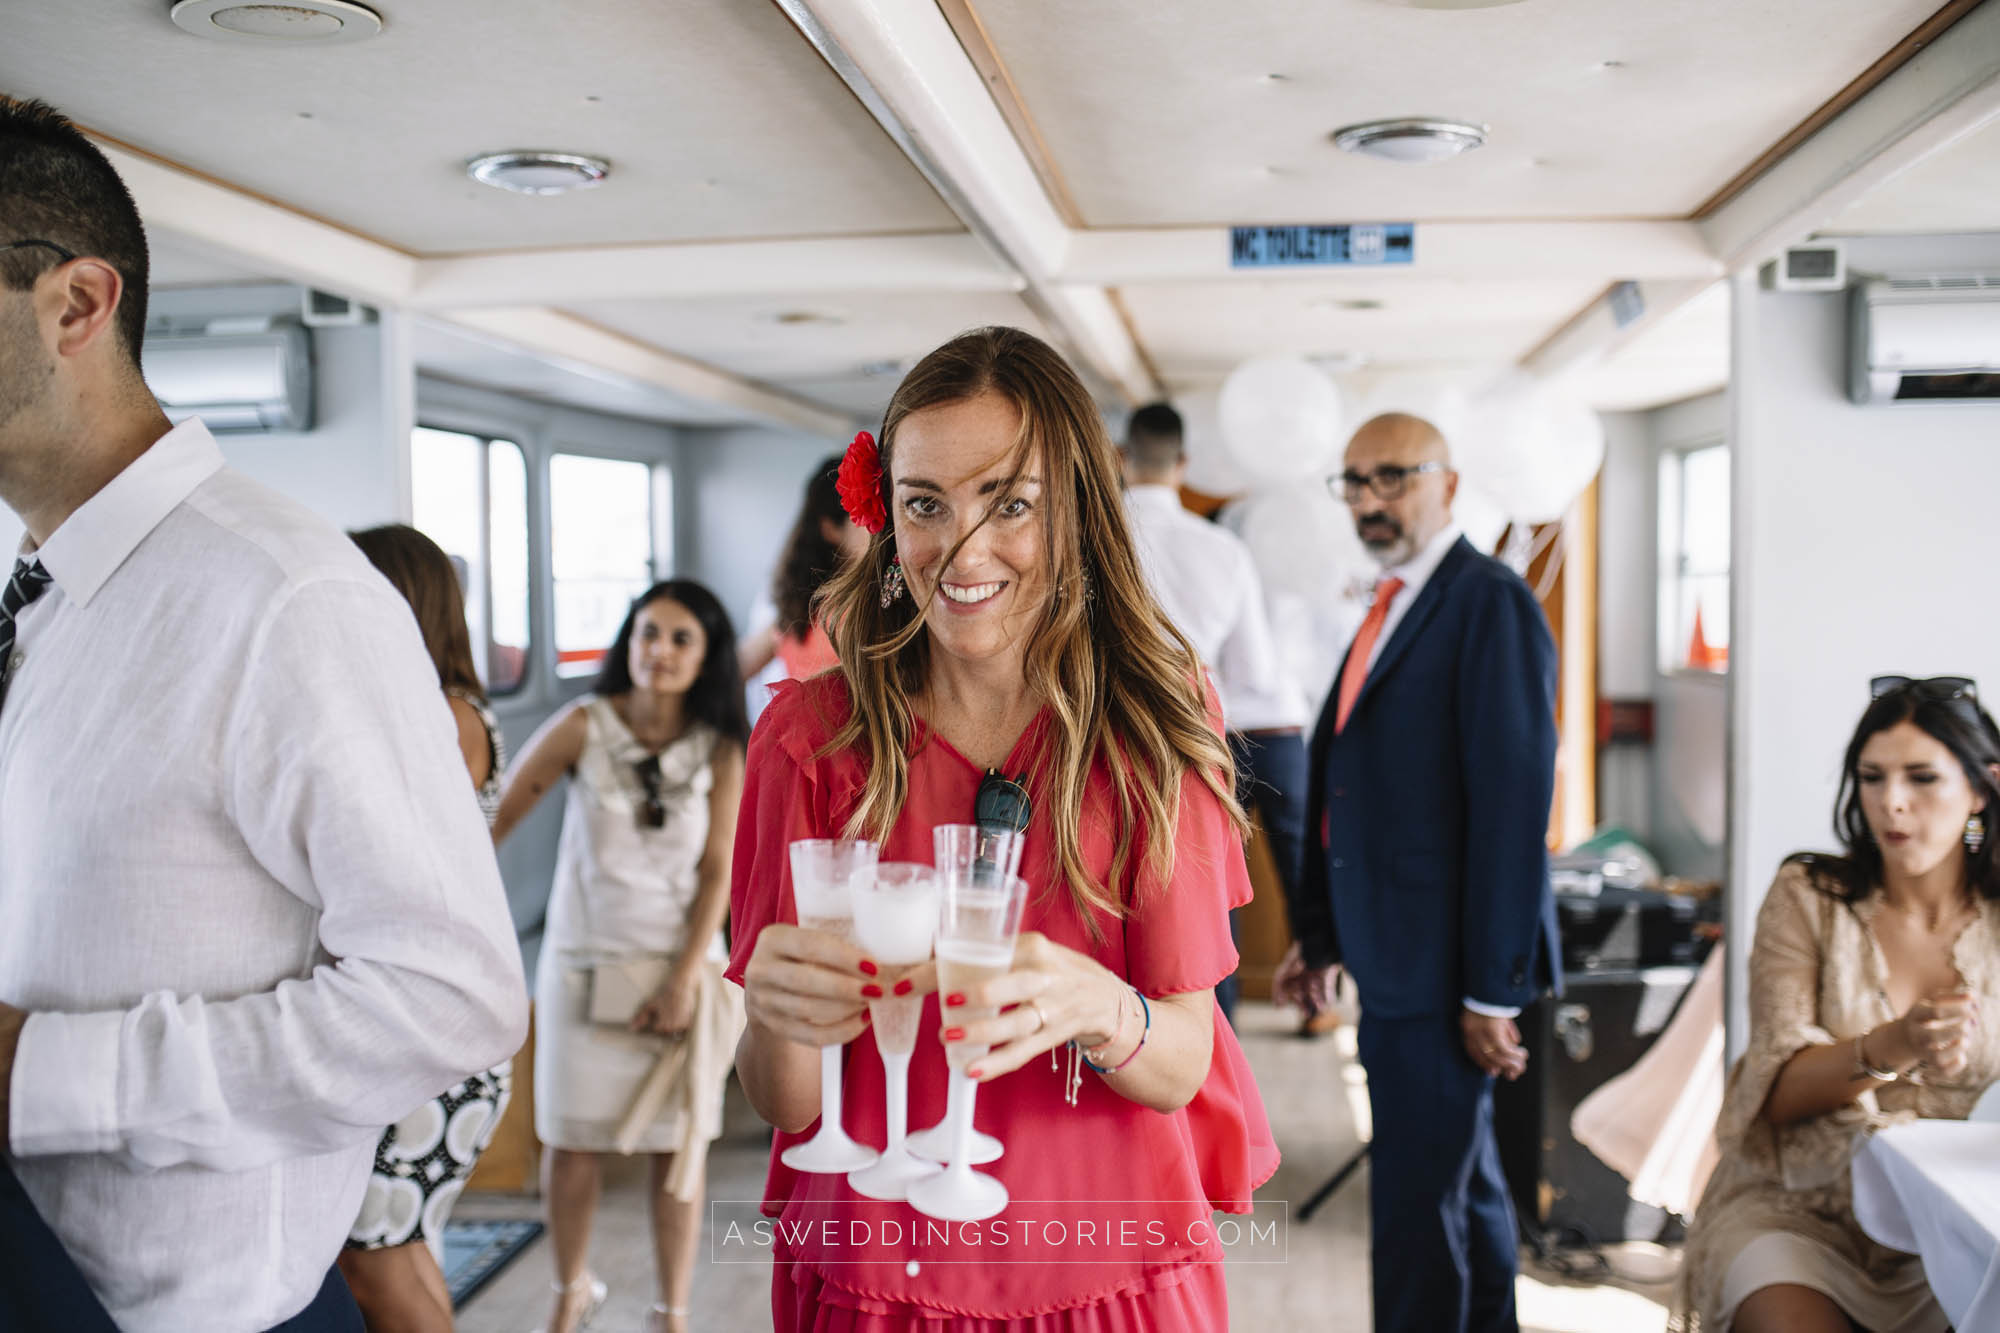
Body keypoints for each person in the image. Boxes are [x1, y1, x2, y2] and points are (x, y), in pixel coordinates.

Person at [0, 96, 527, 1333]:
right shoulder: (46, 590)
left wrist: (40, 1073)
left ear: (76, 305)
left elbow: (450, 994)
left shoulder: (286, 599)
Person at [730, 326, 1279, 1329]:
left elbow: (1181, 1064)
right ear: (883, 515)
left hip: (1107, 1271)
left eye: (1009, 503)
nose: (962, 549)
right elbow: (787, 1104)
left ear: (1072, 511)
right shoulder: (806, 739)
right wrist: (772, 1012)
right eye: (925, 504)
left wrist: (1103, 1006)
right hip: (874, 1274)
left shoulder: (1153, 723)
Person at [1277, 412, 1559, 1333]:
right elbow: (1353, 783)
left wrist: (1491, 991)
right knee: (1460, 1192)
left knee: (1413, 1210)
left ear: (1450, 480)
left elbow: (1514, 809)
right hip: (1394, 950)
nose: (1369, 499)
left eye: (1392, 476)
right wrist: (1320, 934)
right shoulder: (1392, 599)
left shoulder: (1488, 599)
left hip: (1445, 971)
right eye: (1354, 481)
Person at [1675, 676, 2000, 1333]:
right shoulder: (1809, 895)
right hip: (1801, 1208)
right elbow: (1777, 1091)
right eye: (1872, 777)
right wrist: (1897, 1043)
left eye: (1921, 777)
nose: (1892, 804)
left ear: (1982, 787)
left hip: (1958, 1224)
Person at [494, 580, 749, 1333]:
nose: (659, 651)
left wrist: (681, 980)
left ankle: (671, 1310)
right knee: (571, 1144)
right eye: (647, 633)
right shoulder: (584, 723)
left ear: (705, 658)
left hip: (679, 972)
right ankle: (570, 1290)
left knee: (680, 1153)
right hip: (580, 970)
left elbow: (718, 872)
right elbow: (496, 817)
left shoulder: (720, 747)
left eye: (679, 639)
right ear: (626, 642)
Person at [340, 524, 516, 1332]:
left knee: (378, 1259)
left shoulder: (440, 715)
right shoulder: (452, 709)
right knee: (399, 1247)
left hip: (433, 1028)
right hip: (440, 1019)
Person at [1119, 401, 1313, 1028]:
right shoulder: (1222, 550)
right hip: (1201, 740)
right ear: (1183, 464)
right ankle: (1213, 1047)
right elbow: (1255, 670)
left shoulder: (1094, 540)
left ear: (1120, 459)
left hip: (1113, 740)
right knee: (1208, 905)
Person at [738, 451, 871, 686]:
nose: (880, 528)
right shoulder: (803, 603)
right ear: (831, 528)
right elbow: (738, 666)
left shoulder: (884, 598)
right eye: (866, 517)